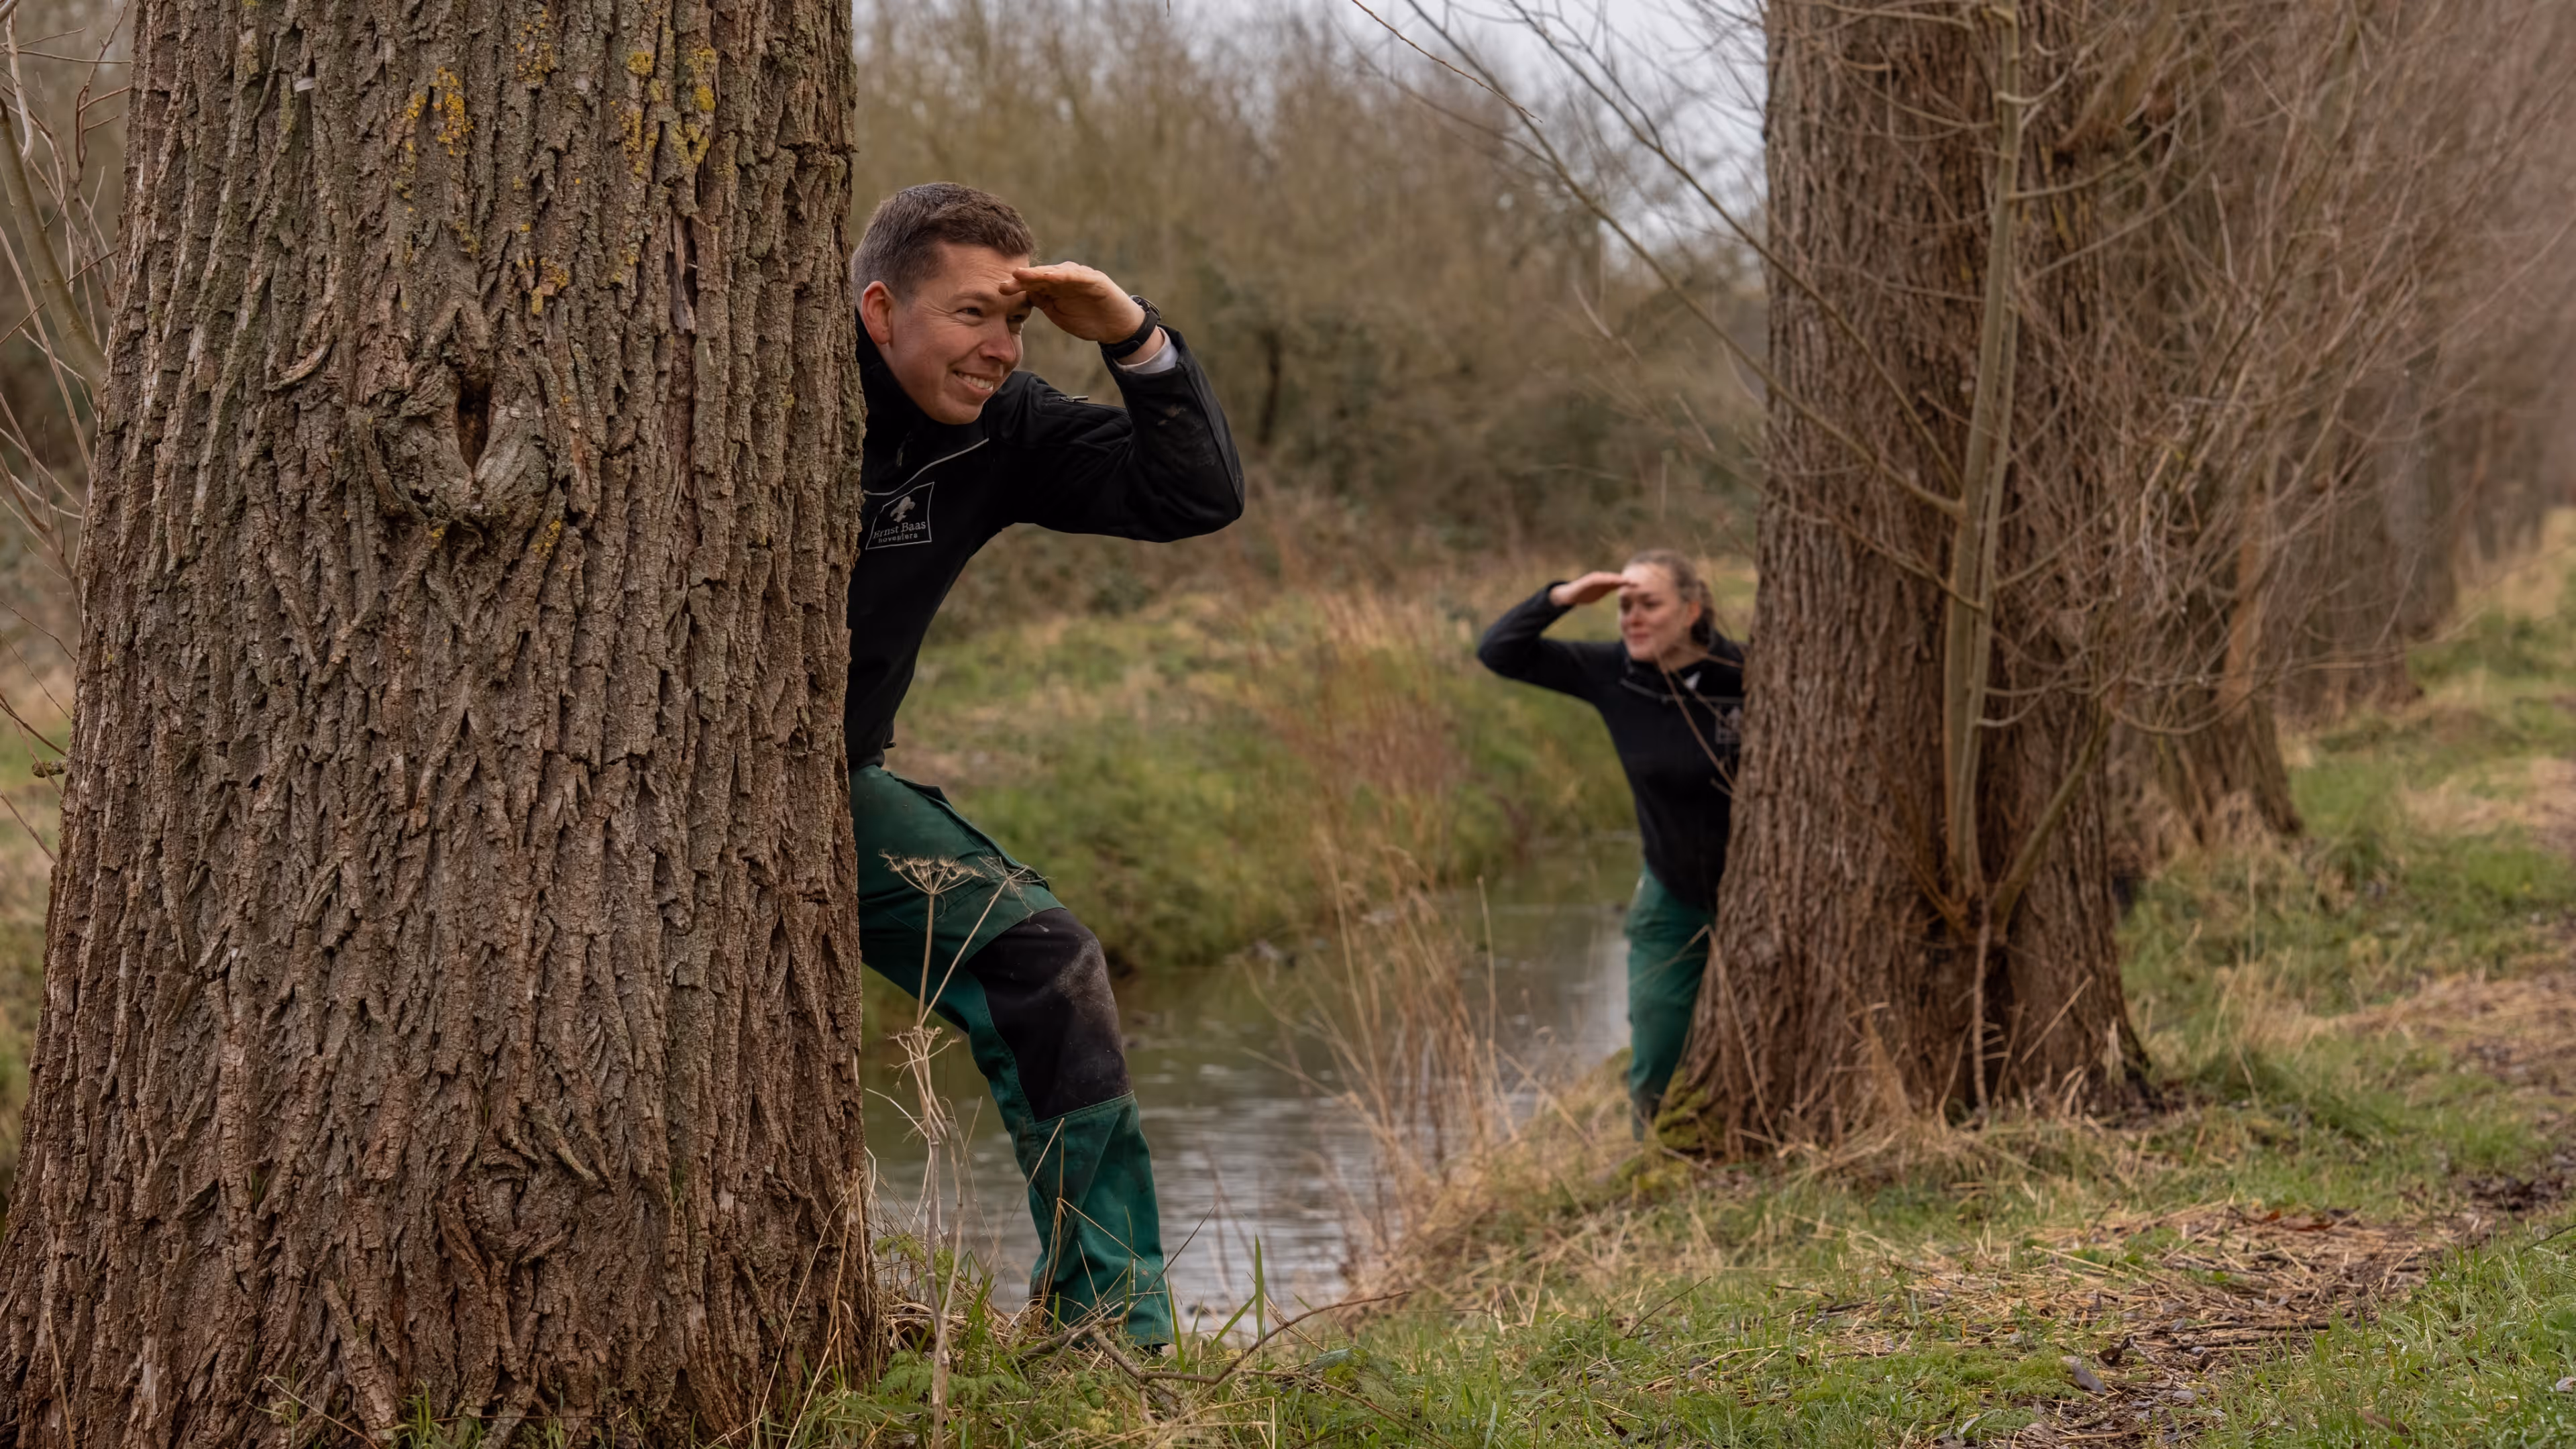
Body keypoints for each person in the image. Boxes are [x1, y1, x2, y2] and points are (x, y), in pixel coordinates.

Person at [843, 183, 1244, 1346]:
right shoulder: (773, 392)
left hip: (829, 791)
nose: (1001, 350)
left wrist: (1131, 334)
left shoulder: (1001, 423)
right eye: (972, 315)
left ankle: (1114, 1327)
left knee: (1044, 961)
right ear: (880, 309)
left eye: (1014, 324)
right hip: (638, 785)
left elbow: (1194, 494)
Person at [1476, 551, 1745, 1135]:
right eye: (1624, 607)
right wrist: (1564, 597)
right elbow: (1500, 652)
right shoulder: (1614, 674)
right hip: (1673, 895)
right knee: (1658, 1046)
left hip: (1763, 896)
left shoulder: (1744, 675)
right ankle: (1656, 1156)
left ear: (1692, 609)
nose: (1632, 619)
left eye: (1649, 604)